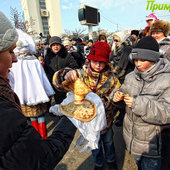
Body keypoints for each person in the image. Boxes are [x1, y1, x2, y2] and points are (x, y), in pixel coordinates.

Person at [0, 11, 77, 170]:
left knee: (36, 120)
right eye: (10, 52)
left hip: (37, 95)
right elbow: (41, 158)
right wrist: (73, 114)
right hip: (38, 96)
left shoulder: (65, 56)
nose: (14, 59)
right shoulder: (5, 110)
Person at [53, 42, 122, 170]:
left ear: (106, 62)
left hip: (106, 120)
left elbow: (116, 94)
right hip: (88, 122)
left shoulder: (112, 79)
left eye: (101, 62)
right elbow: (58, 84)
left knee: (108, 142)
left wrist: (108, 101)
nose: (97, 64)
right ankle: (98, 163)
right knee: (94, 144)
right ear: (89, 60)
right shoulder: (80, 75)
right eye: (94, 61)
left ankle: (111, 160)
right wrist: (64, 74)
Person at [113, 36, 170, 170]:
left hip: (153, 145)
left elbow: (167, 112)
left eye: (142, 60)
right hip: (132, 139)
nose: (138, 64)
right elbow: (123, 89)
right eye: (136, 59)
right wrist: (116, 95)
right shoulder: (131, 76)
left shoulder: (167, 80)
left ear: (153, 59)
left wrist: (138, 104)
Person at [9, 29, 54, 139]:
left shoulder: (16, 63)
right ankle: (43, 137)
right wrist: (47, 91)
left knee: (32, 116)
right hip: (39, 93)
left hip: (23, 96)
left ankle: (38, 137)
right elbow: (43, 77)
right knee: (40, 115)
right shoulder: (34, 61)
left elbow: (13, 80)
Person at [44, 36, 78, 104]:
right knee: (55, 101)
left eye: (57, 45)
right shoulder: (48, 56)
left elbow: (75, 67)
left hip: (64, 84)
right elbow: (46, 70)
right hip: (52, 83)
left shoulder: (67, 55)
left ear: (61, 45)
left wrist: (67, 73)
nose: (55, 47)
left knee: (65, 102)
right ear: (50, 46)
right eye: (53, 45)